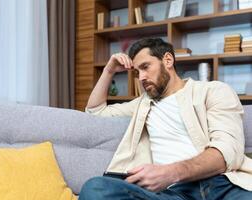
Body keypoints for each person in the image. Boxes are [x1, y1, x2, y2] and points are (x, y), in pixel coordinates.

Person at [79, 38, 252, 200]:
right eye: (137, 72)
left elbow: (228, 152)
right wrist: (108, 71)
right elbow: (95, 111)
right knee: (95, 188)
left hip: (223, 186)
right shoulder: (142, 104)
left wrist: (170, 172)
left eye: (146, 67)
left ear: (168, 60)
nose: (141, 78)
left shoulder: (213, 91)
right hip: (174, 194)